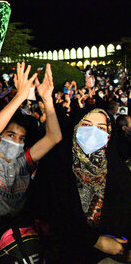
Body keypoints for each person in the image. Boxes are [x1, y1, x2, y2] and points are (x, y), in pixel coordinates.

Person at [0, 62, 62, 258]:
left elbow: (54, 137)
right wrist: (19, 96)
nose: (16, 142)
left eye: (21, 138)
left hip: (16, 245)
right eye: (11, 135)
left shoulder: (23, 164)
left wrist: (47, 99)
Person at [29, 107, 131, 263]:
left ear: (110, 134)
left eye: (101, 128)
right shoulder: (56, 163)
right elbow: (49, 213)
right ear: (75, 127)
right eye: (87, 125)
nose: (93, 132)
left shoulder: (119, 171)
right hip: (63, 255)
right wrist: (97, 241)